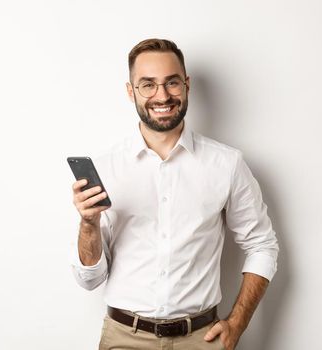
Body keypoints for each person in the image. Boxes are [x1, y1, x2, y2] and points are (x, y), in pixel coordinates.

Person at [69, 38, 279, 350]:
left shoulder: (227, 164)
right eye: (148, 85)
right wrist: (88, 224)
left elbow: (262, 246)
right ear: (131, 92)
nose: (162, 95)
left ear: (187, 85)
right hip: (125, 339)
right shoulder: (107, 168)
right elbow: (90, 280)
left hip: (201, 339)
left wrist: (236, 323)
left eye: (172, 82)